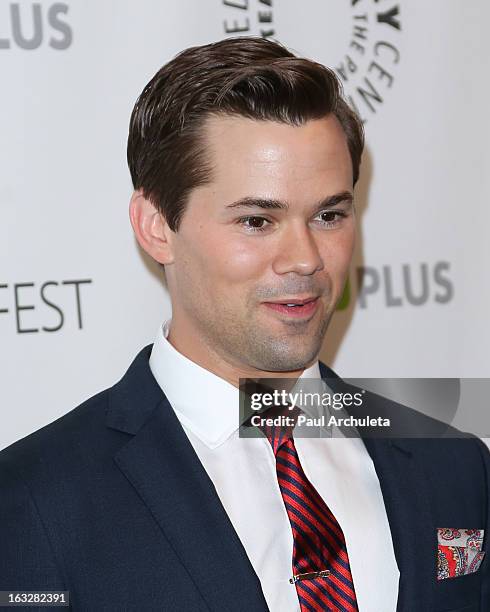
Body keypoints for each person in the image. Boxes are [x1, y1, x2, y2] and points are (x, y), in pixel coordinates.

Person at [0, 36, 488, 612]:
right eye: (258, 220)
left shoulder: (454, 463)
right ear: (157, 226)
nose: (305, 258)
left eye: (329, 214)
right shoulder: (32, 501)